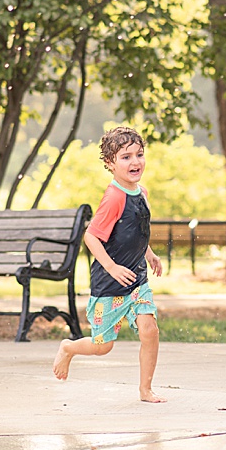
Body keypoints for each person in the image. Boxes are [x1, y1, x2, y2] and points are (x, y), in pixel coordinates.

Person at [53, 127, 165, 402]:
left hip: (136, 278)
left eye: (139, 155)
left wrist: (149, 254)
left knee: (149, 330)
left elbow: (136, 231)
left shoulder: (142, 193)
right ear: (110, 164)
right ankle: (68, 348)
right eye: (126, 157)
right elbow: (91, 236)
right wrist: (112, 267)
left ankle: (145, 389)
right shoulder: (114, 197)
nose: (135, 162)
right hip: (110, 282)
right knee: (103, 346)